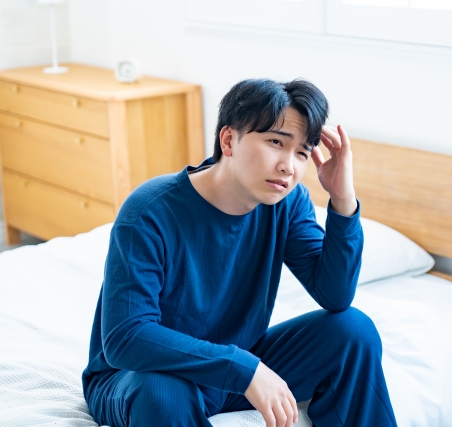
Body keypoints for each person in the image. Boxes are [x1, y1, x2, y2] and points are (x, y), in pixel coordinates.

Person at [82, 78, 398, 427]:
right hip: (141, 374)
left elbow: (335, 295)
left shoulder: (287, 202)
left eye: (302, 153)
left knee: (353, 330)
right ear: (229, 140)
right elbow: (126, 338)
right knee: (163, 391)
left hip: (231, 372)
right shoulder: (150, 210)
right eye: (276, 142)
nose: (289, 166)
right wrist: (243, 369)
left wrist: (342, 199)